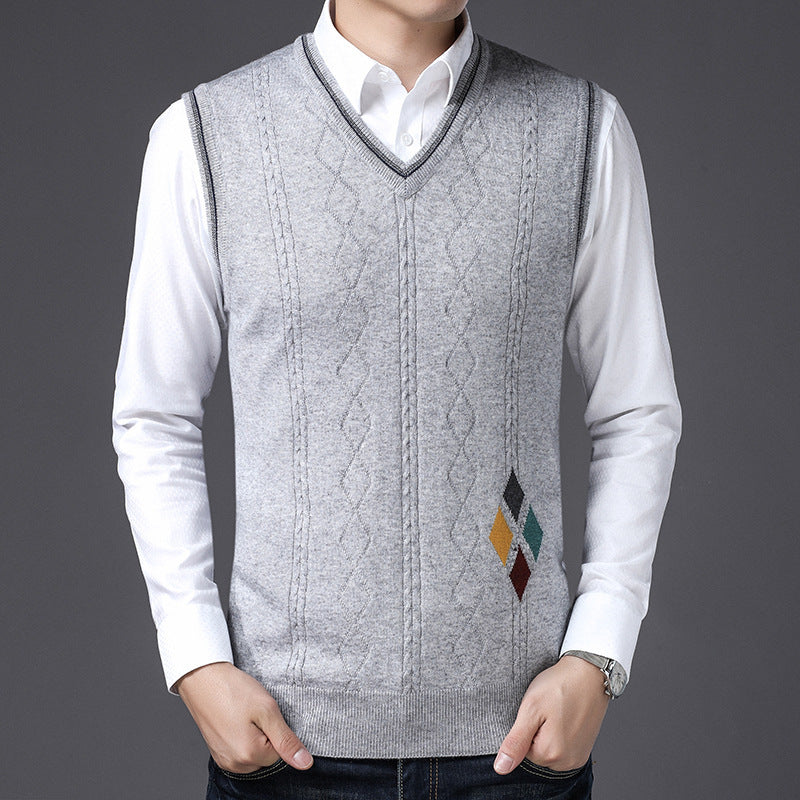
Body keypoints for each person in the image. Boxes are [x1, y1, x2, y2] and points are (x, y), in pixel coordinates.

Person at [111, 1, 682, 797]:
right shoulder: (208, 135)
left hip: (517, 748)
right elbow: (155, 416)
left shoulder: (579, 130)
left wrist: (599, 650)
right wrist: (195, 656)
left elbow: (636, 410)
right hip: (287, 747)